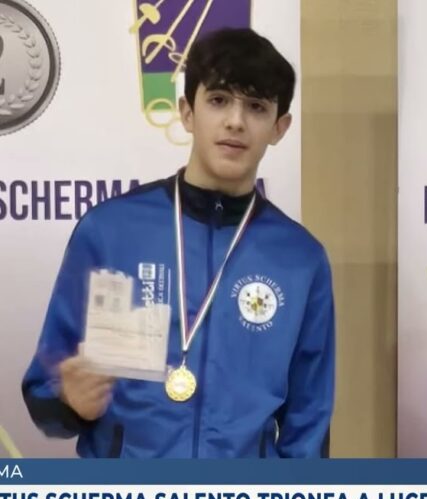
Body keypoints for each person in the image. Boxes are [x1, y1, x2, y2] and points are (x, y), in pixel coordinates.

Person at [22, 28, 335, 458]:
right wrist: (68, 402)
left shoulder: (300, 259)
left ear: (279, 127)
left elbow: (309, 423)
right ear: (187, 112)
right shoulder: (109, 231)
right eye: (219, 100)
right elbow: (45, 387)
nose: (236, 121)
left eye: (257, 107)